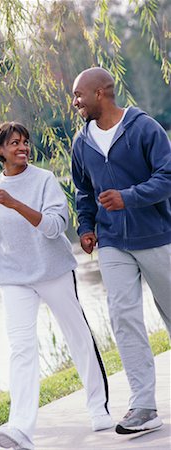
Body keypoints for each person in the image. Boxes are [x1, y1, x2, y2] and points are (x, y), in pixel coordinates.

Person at [0, 121, 114, 450]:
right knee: (21, 349)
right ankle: (21, 429)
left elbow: (55, 226)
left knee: (78, 337)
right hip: (15, 277)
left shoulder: (44, 180)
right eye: (14, 143)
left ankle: (98, 408)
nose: (23, 147)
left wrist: (16, 203)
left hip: (54, 271)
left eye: (25, 142)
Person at [71, 67, 171, 435]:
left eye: (79, 95)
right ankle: (144, 406)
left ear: (101, 93)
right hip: (112, 242)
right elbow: (83, 192)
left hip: (158, 235)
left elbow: (167, 178)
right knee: (123, 319)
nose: (75, 102)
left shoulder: (145, 128)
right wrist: (85, 228)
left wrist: (127, 198)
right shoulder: (81, 143)